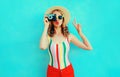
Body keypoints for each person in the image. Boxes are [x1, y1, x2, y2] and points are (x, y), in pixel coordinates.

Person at [40, 6, 93, 77]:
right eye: (54, 17)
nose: (57, 19)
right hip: (52, 72)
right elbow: (42, 47)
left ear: (63, 20)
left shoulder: (69, 36)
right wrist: (46, 26)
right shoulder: (48, 37)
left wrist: (80, 33)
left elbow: (89, 47)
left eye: (60, 17)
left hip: (67, 71)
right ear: (51, 20)